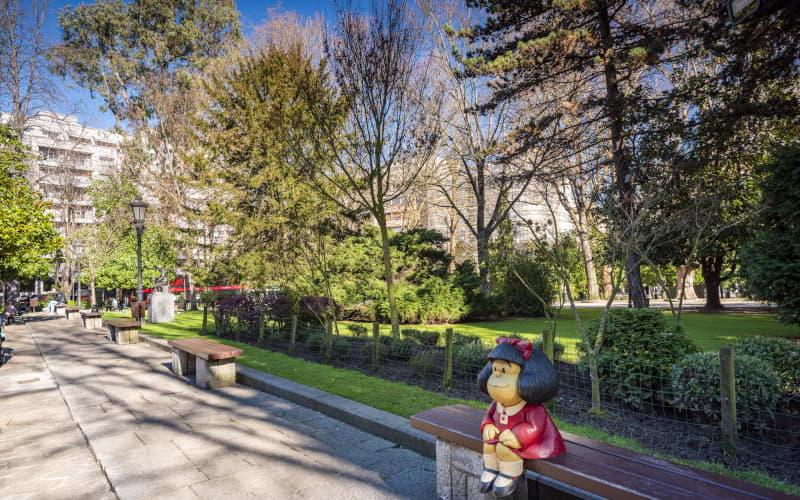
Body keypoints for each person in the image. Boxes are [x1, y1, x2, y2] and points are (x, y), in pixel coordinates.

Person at [477, 337, 565, 497]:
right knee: (489, 445)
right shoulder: (498, 403)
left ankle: (509, 475)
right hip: (500, 436)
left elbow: (535, 427)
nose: (496, 378)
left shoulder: (532, 409)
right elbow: (489, 416)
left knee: (505, 450)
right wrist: (488, 425)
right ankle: (490, 469)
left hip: (529, 443)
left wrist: (517, 436)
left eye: (504, 372)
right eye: (495, 370)